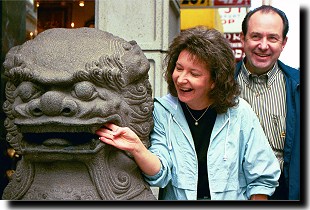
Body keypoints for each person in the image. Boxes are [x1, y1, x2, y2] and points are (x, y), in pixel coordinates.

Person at [96, 26, 281, 200]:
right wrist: (137, 148)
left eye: (194, 73)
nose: (182, 79)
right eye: (179, 68)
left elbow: (262, 177)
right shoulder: (162, 110)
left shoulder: (239, 112)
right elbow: (160, 175)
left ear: (214, 80)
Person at [235, 5, 300, 200]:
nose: (263, 45)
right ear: (242, 38)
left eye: (272, 38)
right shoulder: (220, 84)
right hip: (232, 193)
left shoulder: (299, 86)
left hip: (285, 194)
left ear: (283, 42)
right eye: (256, 36)